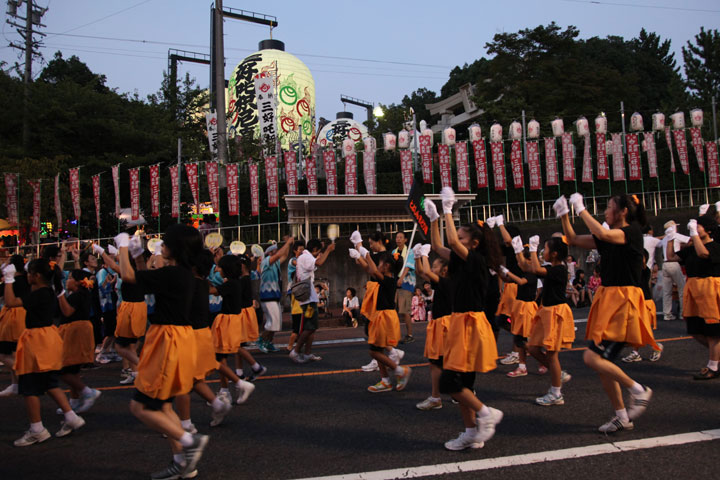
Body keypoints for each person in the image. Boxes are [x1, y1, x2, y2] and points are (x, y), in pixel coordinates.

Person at [116, 225, 209, 479]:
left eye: (165, 243)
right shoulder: (182, 274)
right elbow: (146, 280)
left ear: (175, 248)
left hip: (166, 341)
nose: (162, 246)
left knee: (141, 406)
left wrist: (123, 246)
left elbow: (128, 276)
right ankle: (182, 463)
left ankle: (190, 442)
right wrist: (137, 257)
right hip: (175, 339)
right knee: (164, 406)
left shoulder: (173, 274)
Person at [560, 193, 657, 433]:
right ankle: (622, 416)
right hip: (611, 303)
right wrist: (563, 214)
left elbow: (603, 234)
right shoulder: (610, 237)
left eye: (609, 207)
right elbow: (572, 238)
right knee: (603, 365)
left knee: (593, 359)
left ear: (623, 212)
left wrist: (581, 209)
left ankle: (638, 390)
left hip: (623, 305)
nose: (605, 211)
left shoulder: (632, 232)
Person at [426, 188, 504, 451]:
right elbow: (438, 245)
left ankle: (485, 414)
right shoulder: (461, 261)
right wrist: (434, 218)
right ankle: (472, 433)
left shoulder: (477, 261)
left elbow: (450, 241)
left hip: (471, 324)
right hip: (460, 323)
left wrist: (448, 210)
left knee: (450, 382)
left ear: (474, 243)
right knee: (464, 385)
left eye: (461, 238)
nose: (455, 240)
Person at [3, 258, 86, 446]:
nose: (27, 275)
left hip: (36, 340)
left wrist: (8, 279)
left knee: (29, 386)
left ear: (37, 276)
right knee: (49, 382)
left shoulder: (40, 292)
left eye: (30, 273)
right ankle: (71, 415)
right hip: (48, 337)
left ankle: (37, 429)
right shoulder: (48, 290)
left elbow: (10, 302)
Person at [175, 249, 233, 434]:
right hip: (202, 333)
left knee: (182, 380)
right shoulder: (202, 284)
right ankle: (217, 404)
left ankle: (185, 424)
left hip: (189, 334)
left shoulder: (189, 283)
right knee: (193, 378)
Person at [522, 235, 574, 404]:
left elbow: (536, 270)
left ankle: (556, 393)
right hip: (546, 311)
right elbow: (525, 266)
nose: (544, 252)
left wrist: (533, 249)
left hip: (555, 312)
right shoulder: (552, 267)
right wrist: (516, 251)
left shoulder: (559, 269)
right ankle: (558, 374)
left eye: (546, 249)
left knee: (552, 354)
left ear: (554, 254)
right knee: (532, 347)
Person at [350, 248, 411, 392]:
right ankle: (386, 380)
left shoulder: (389, 280)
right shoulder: (386, 278)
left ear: (387, 266)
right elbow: (369, 268)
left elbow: (372, 270)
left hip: (384, 318)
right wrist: (358, 257)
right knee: (377, 350)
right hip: (380, 316)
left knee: (374, 351)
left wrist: (365, 253)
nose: (377, 266)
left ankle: (400, 371)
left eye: (380, 263)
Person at [666, 215, 720, 379]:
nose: (696, 229)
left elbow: (704, 254)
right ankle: (716, 358)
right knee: (695, 330)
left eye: (699, 226)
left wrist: (694, 234)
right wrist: (670, 238)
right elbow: (671, 257)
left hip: (709, 289)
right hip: (694, 290)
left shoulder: (715, 246)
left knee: (712, 331)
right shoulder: (691, 248)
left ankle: (713, 367)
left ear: (708, 230)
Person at [209, 254, 265, 398]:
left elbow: (213, 291)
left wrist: (201, 281)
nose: (218, 269)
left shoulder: (233, 283)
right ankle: (233, 381)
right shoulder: (236, 282)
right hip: (231, 320)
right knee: (228, 351)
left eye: (220, 267)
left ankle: (227, 389)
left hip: (228, 321)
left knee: (223, 355)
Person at [97, 244, 146, 385]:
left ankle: (143, 368)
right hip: (137, 308)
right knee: (131, 345)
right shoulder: (142, 272)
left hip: (130, 309)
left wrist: (102, 252)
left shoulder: (128, 273)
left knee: (122, 345)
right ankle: (135, 372)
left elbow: (113, 265)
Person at [56, 270, 102, 413]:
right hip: (77, 330)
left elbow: (67, 312)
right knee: (73, 369)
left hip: (75, 332)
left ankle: (87, 391)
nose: (67, 280)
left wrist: (60, 295)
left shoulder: (77, 295)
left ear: (77, 282)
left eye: (70, 278)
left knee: (63, 370)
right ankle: (74, 401)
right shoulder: (81, 294)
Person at [414, 244, 450, 410]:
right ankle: (462, 391)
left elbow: (426, 272)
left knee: (437, 361)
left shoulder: (446, 281)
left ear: (444, 270)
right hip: (441, 323)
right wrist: (417, 257)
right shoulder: (441, 280)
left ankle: (436, 397)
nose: (432, 268)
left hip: (445, 324)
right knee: (445, 361)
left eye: (436, 266)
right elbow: (422, 272)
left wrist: (425, 255)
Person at [497, 243, 541, 378]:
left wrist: (508, 272)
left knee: (528, 338)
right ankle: (522, 366)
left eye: (524, 259)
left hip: (527, 307)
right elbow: (509, 279)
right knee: (519, 337)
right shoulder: (524, 272)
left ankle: (543, 360)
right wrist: (498, 270)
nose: (521, 262)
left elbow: (521, 282)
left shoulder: (532, 274)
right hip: (519, 306)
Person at [290, 239, 335, 363]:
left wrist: (321, 254)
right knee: (309, 327)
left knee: (312, 327)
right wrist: (328, 250)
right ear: (314, 249)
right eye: (318, 250)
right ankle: (295, 351)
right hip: (308, 299)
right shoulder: (306, 257)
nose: (319, 253)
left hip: (308, 297)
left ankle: (307, 353)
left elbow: (314, 265)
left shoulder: (304, 257)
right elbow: (319, 262)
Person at [622, 250, 664, 363]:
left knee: (643, 329)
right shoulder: (630, 271)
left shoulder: (645, 270)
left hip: (645, 302)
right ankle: (637, 351)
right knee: (637, 329)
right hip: (636, 302)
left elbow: (642, 262)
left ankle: (654, 347)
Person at [258, 237, 294, 353]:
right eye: (274, 250)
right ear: (269, 252)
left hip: (275, 296)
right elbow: (279, 255)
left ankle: (269, 342)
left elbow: (284, 255)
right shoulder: (266, 261)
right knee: (272, 322)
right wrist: (287, 243)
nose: (276, 251)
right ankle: (261, 340)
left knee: (276, 323)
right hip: (267, 296)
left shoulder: (275, 262)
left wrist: (287, 245)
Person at [0, 254, 29, 397]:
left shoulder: (14, 281)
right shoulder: (26, 279)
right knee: (13, 352)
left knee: (4, 353)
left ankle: (23, 376)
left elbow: (5, 297)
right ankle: (15, 383)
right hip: (20, 317)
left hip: (13, 318)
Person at [660, 220, 689, 321]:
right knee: (682, 289)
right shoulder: (676, 235)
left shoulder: (664, 239)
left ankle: (667, 314)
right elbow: (689, 240)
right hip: (674, 263)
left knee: (667, 291)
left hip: (664, 265)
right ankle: (682, 313)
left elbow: (659, 244)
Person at [393, 231, 416, 343]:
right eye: (397, 237)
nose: (398, 239)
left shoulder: (410, 252)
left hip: (406, 283)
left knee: (405, 310)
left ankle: (410, 334)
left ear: (406, 240)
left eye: (401, 237)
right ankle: (395, 334)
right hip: (395, 283)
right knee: (395, 309)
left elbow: (408, 267)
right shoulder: (394, 252)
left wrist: (401, 279)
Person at [286, 241, 305, 351]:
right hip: (295, 291)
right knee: (298, 317)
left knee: (301, 319)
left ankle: (296, 345)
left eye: (303, 249)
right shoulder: (293, 260)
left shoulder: (303, 260)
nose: (302, 251)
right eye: (300, 250)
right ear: (295, 251)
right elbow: (297, 264)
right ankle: (290, 346)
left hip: (300, 291)